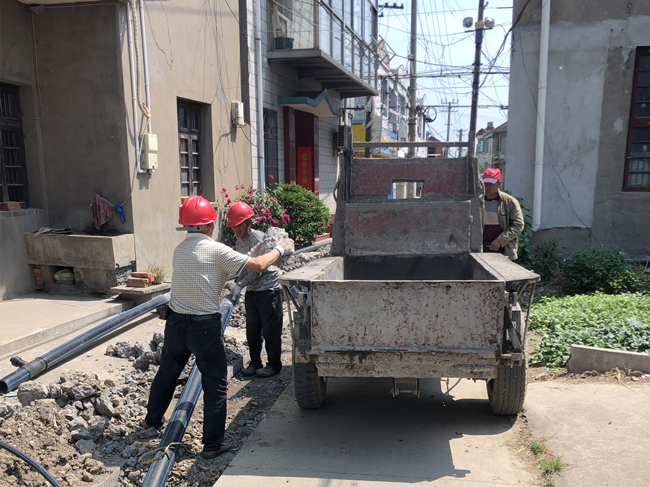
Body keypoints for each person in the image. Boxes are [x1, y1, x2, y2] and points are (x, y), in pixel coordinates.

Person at [141, 196, 293, 459]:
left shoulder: (179, 250)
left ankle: (151, 421)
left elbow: (219, 269)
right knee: (215, 385)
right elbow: (258, 265)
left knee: (166, 374)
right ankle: (212, 445)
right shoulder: (216, 250)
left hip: (176, 324)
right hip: (204, 328)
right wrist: (280, 249)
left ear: (186, 226)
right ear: (211, 225)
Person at [226, 202, 283, 378]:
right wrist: (236, 283)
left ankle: (274, 365)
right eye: (233, 226)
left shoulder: (258, 239)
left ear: (248, 223)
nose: (236, 229)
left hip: (268, 289)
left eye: (239, 225)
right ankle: (255, 362)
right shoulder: (239, 240)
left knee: (270, 330)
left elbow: (258, 269)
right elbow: (243, 265)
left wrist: (240, 284)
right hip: (252, 290)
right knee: (252, 330)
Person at [482, 167, 524, 261]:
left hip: (503, 249)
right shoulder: (477, 201)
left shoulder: (510, 202)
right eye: (485, 184)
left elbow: (518, 225)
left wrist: (500, 240)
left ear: (499, 184)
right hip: (480, 249)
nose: (487, 187)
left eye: (490, 184)